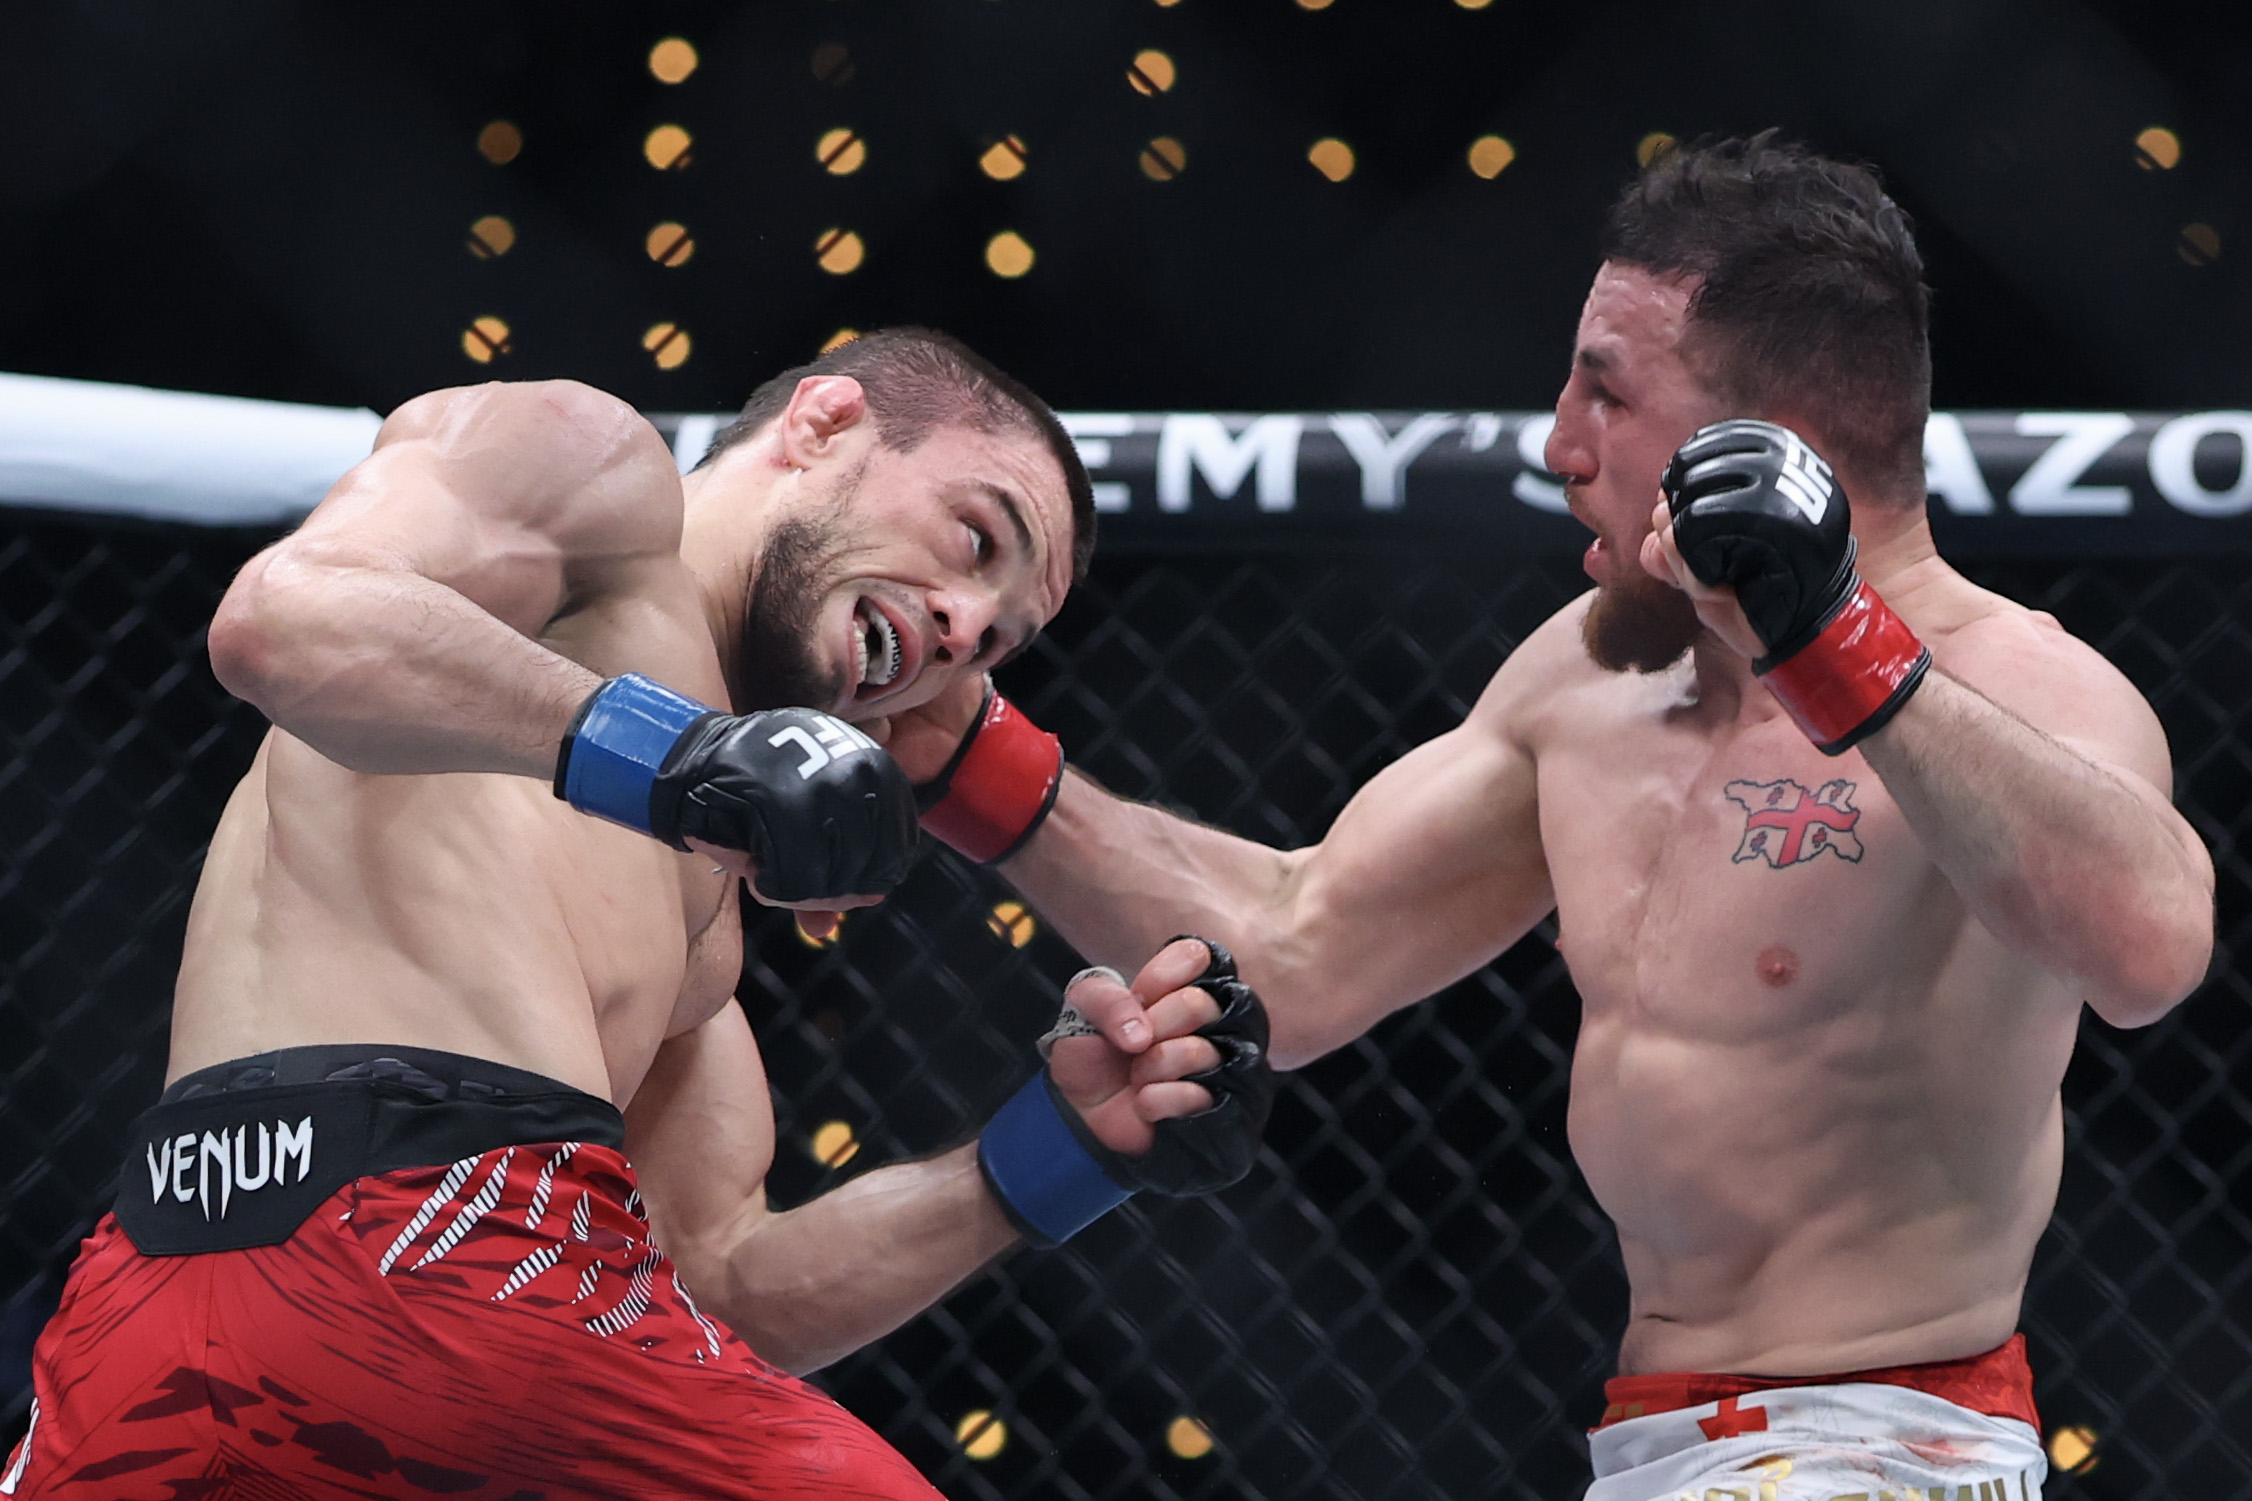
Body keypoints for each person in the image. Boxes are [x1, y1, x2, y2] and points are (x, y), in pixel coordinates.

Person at [890, 136, 2217, 1499]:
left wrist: (1843, 650)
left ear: (1768, 451)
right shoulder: (1588, 678)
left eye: (1609, 394)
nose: (1559, 445)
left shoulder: (2016, 690)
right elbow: (1293, 949)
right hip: (1653, 1445)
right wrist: (958, 760)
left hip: (1892, 1444)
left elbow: (2152, 949)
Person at [2, 330, 1273, 1500]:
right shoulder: (596, 472)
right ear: (823, 424)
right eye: (973, 540)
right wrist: (678, 759)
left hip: (167, 1313)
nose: (963, 624)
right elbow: (284, 617)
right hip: (424, 1244)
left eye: (1000, 641)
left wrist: (1053, 1152)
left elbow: (721, 1293)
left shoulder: (703, 913)